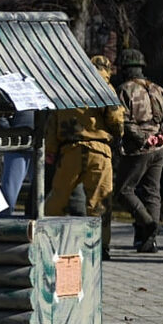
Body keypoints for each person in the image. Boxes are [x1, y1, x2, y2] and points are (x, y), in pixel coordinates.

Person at [43, 57, 123, 258]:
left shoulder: (66, 87)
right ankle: (100, 247)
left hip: (69, 151)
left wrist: (51, 149)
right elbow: (116, 117)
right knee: (99, 202)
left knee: (58, 197)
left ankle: (50, 239)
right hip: (99, 151)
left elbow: (52, 121)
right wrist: (118, 134)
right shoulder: (104, 86)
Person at [114, 48, 163, 253]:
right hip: (160, 148)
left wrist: (143, 138)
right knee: (152, 193)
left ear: (125, 69)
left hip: (139, 149)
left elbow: (122, 119)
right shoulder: (158, 89)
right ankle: (150, 241)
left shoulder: (124, 90)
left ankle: (148, 222)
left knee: (123, 190)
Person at [0, 110, 35, 216]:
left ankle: (35, 215)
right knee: (9, 188)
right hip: (15, 146)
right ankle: (2, 220)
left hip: (38, 144)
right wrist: (9, 132)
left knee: (39, 188)